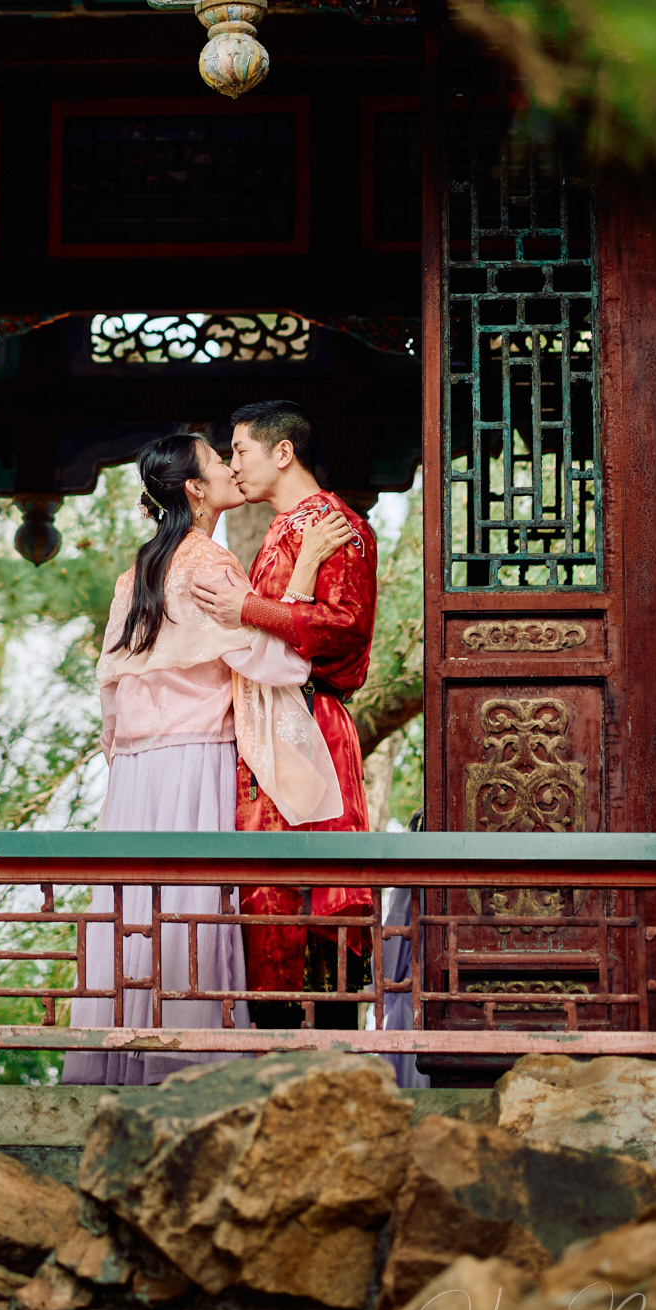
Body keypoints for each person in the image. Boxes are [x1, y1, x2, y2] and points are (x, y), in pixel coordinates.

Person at [64, 430, 353, 1084]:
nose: (229, 467)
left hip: (135, 773)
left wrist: (124, 763)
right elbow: (272, 660)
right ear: (195, 489)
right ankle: (189, 1070)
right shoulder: (210, 566)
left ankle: (116, 1063)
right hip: (195, 757)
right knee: (192, 908)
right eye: (217, 461)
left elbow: (110, 696)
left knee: (132, 913)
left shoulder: (133, 574)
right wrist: (304, 571)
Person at [189, 399, 377, 1028]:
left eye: (239, 450)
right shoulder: (283, 528)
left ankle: (326, 1055)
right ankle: (268, 1048)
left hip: (311, 723)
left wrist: (248, 609)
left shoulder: (334, 524)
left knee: (312, 888)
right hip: (264, 723)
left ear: (282, 451)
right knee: (264, 890)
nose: (233, 465)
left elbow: (346, 629)